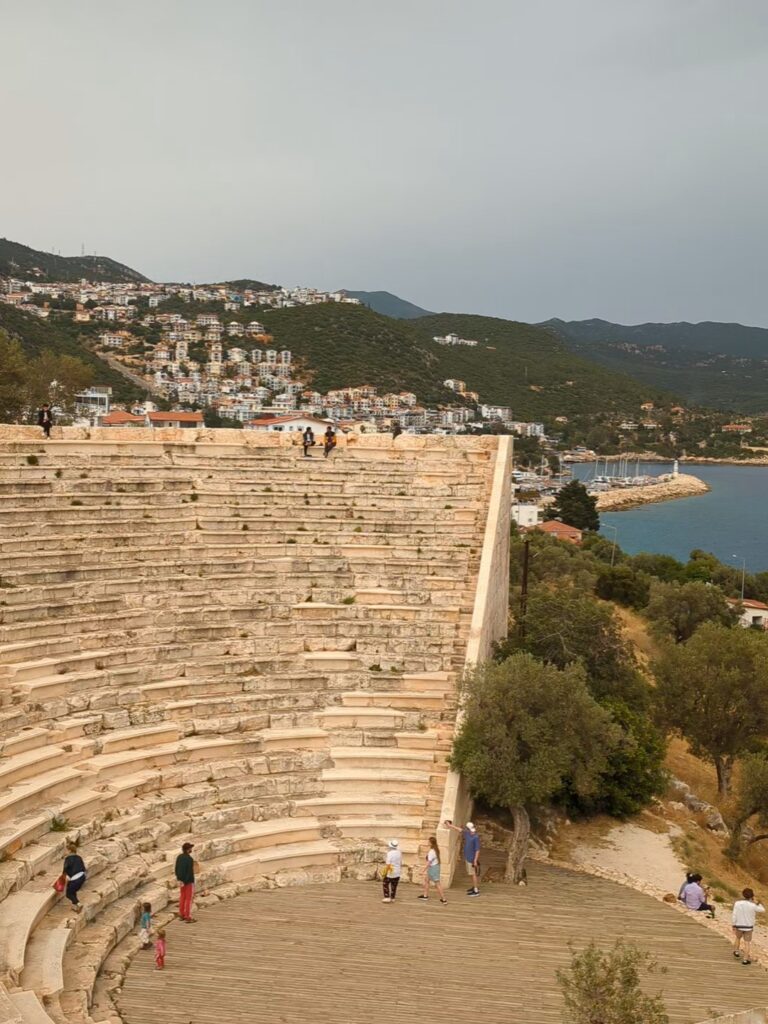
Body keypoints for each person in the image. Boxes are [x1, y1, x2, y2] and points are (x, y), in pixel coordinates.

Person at [444, 819, 481, 896]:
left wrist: (475, 860)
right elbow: (459, 829)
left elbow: (477, 850)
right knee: (471, 874)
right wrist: (450, 826)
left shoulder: (475, 837)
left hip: (471, 859)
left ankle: (476, 891)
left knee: (473, 874)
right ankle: (474, 887)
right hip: (467, 857)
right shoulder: (467, 833)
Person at [732, 888, 765, 965]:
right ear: (752, 896)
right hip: (748, 927)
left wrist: (734, 924)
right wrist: (758, 903)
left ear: (743, 894)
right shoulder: (753, 905)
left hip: (739, 925)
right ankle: (745, 959)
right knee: (747, 943)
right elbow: (763, 910)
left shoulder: (737, 903)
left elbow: (734, 914)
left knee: (737, 938)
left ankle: (736, 952)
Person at [417, 836, 447, 904]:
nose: (428, 842)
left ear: (431, 843)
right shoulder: (436, 850)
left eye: (428, 841)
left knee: (437, 884)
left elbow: (428, 862)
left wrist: (422, 871)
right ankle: (425, 895)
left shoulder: (431, 852)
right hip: (434, 867)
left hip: (433, 868)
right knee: (426, 880)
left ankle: (444, 899)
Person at [62, 841, 87, 913]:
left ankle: (78, 904)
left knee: (68, 894)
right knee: (73, 890)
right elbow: (83, 868)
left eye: (65, 851)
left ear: (69, 851)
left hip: (75, 879)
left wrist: (61, 883)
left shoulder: (68, 859)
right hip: (82, 876)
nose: (65, 852)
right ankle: (75, 907)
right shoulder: (79, 857)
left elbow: (65, 871)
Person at [175, 841, 196, 922]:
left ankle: (181, 914)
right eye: (190, 848)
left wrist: (179, 879)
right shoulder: (189, 859)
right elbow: (189, 872)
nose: (191, 849)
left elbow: (176, 869)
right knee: (188, 899)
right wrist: (186, 881)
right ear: (187, 850)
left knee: (182, 897)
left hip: (181, 881)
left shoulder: (179, 857)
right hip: (188, 882)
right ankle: (188, 917)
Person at [382, 838, 402, 903]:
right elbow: (400, 862)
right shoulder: (399, 852)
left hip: (391, 871)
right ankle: (393, 897)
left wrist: (385, 873)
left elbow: (388, 865)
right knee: (394, 885)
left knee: (385, 883)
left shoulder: (389, 853)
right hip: (397, 871)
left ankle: (387, 897)